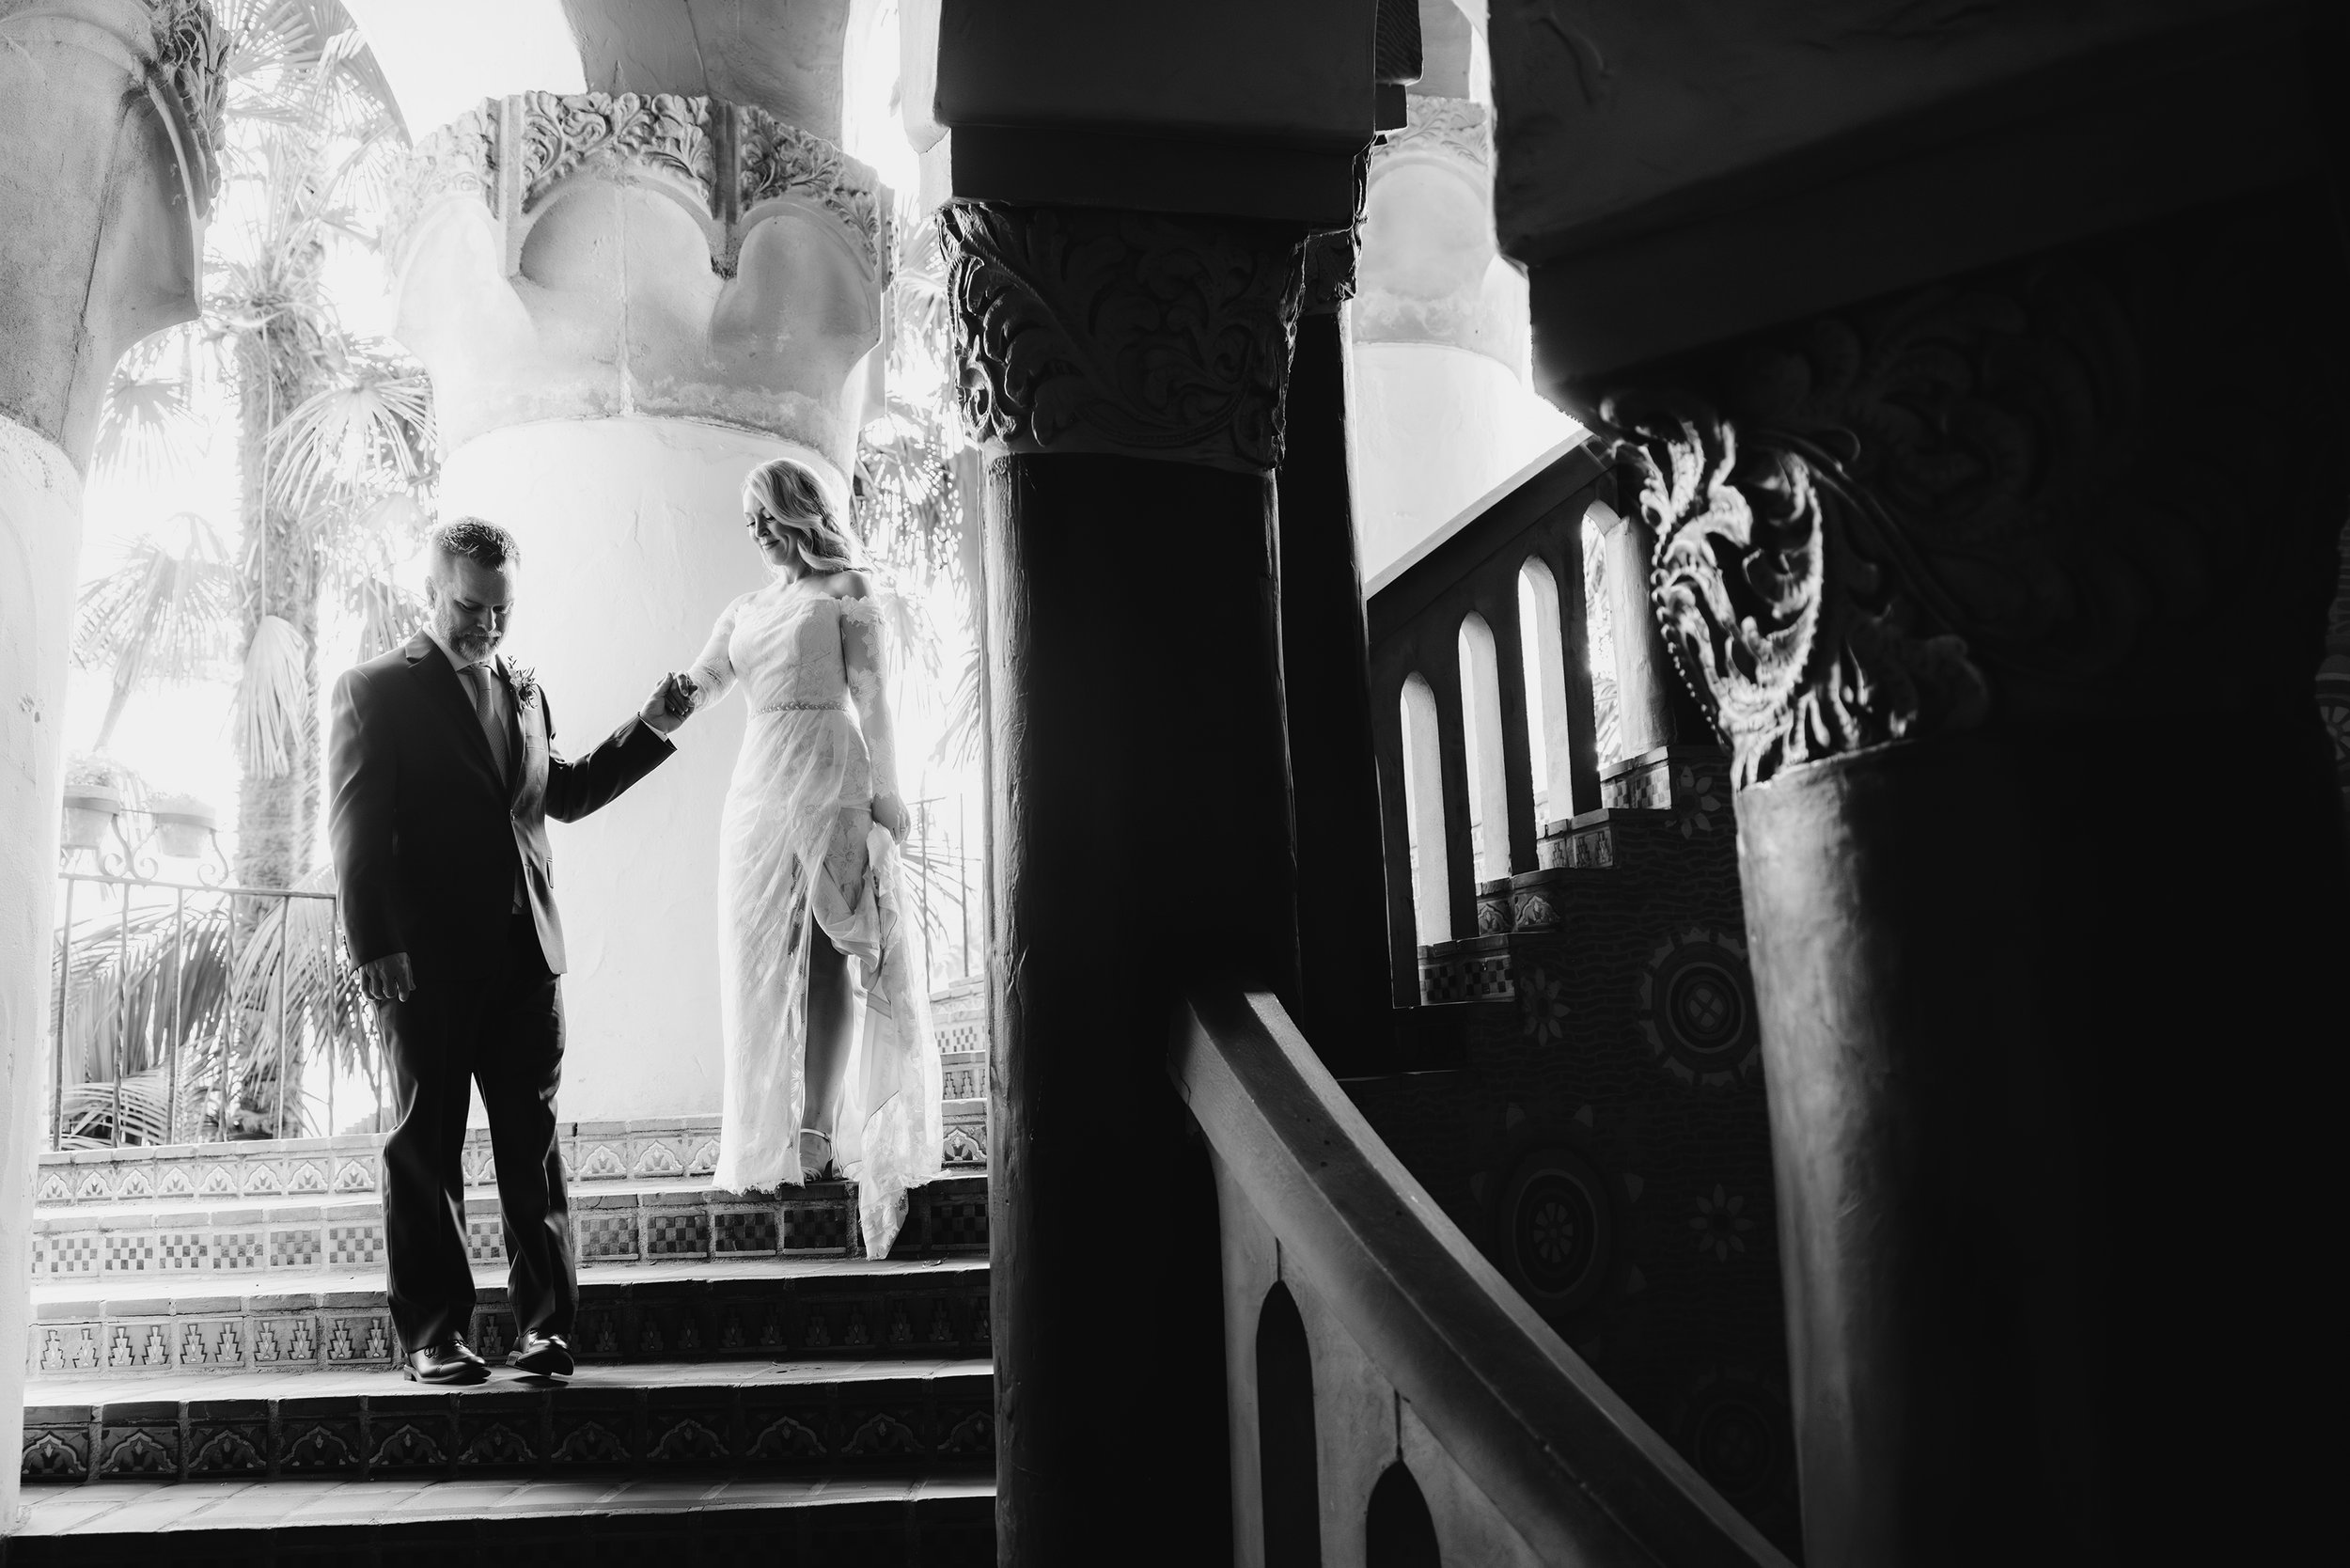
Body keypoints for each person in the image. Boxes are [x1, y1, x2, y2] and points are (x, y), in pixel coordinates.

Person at [327, 518, 692, 1385]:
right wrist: (373, 943)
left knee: (532, 1150)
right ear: (430, 590)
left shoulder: (525, 690)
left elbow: (557, 793)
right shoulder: (374, 688)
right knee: (427, 1146)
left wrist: (650, 726)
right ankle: (433, 1336)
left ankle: (545, 1331)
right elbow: (354, 828)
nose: (487, 627)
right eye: (469, 606)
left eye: (501, 611)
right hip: (423, 966)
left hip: (528, 960)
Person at [675, 457, 941, 1256]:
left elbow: (876, 698)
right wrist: (646, 722)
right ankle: (759, 1134)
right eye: (747, 519)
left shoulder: (847, 591)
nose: (754, 531)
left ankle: (820, 1126)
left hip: (832, 769)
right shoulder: (746, 608)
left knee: (831, 954)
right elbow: (699, 684)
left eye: (764, 514)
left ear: (798, 510)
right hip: (759, 784)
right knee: (756, 955)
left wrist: (889, 791)